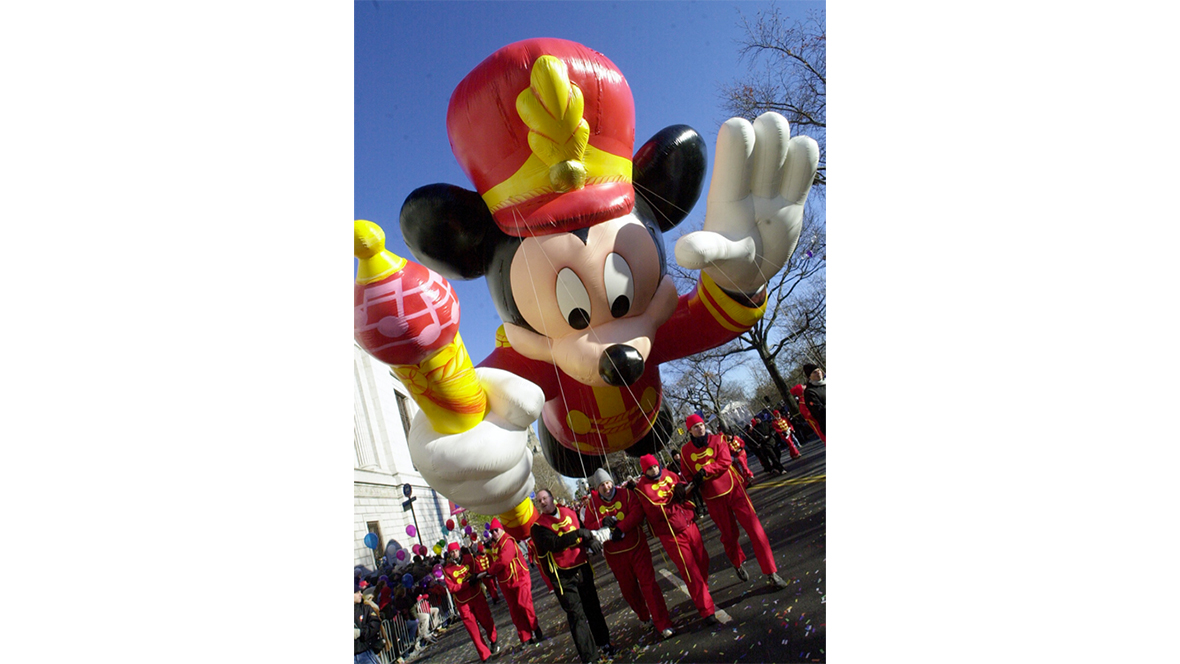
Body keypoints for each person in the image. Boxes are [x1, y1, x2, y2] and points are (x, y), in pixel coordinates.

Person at [680, 414, 789, 589]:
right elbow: (687, 475)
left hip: (734, 490)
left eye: (701, 425)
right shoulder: (685, 452)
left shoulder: (718, 439)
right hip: (713, 498)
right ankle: (737, 562)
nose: (700, 428)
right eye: (695, 427)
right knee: (729, 535)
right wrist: (688, 486)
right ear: (689, 431)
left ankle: (771, 572)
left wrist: (706, 470)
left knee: (755, 529)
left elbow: (724, 461)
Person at [618, 454, 719, 627]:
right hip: (671, 534)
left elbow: (683, 486)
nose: (654, 470)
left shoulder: (669, 474)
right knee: (690, 570)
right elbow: (655, 512)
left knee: (702, 560)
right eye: (650, 468)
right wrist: (675, 499)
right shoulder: (642, 488)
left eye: (655, 466)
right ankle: (706, 609)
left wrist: (684, 488)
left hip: (689, 523)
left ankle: (703, 591)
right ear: (644, 471)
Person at [584, 468, 676, 639]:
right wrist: (601, 522)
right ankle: (644, 615)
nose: (606, 487)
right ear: (597, 488)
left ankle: (663, 623)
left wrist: (621, 527)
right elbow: (588, 525)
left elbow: (637, 512)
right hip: (615, 554)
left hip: (637, 547)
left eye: (608, 483)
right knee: (629, 590)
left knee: (649, 585)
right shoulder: (592, 505)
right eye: (602, 485)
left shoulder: (626, 494)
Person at [530, 488, 616, 663]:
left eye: (545, 498)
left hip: (582, 568)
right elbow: (554, 543)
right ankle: (590, 657)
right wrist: (577, 534)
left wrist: (590, 540)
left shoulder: (569, 512)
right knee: (577, 616)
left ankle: (604, 643)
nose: (543, 502)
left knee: (593, 608)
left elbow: (583, 530)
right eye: (539, 501)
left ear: (552, 498)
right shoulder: (538, 527)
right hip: (563, 577)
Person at [487, 518, 545, 648]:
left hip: (519, 578)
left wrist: (490, 571)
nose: (494, 533)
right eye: (492, 532)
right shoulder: (494, 545)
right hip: (505, 582)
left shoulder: (507, 541)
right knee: (515, 611)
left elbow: (504, 560)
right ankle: (525, 637)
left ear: (501, 529)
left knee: (525, 605)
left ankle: (534, 626)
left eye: (496, 530)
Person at [442, 541, 501, 662]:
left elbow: (478, 570)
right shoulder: (447, 570)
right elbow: (452, 588)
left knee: (487, 621)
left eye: (456, 551)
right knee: (473, 631)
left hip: (477, 596)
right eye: (452, 552)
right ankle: (484, 655)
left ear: (459, 550)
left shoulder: (469, 559)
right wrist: (467, 584)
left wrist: (477, 575)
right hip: (463, 603)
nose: (455, 554)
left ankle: (493, 639)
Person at [355, 586, 385, 664]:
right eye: (357, 592)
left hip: (365, 652)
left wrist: (360, 632)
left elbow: (375, 624)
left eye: (360, 592)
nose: (361, 594)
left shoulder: (365, 609)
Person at [801, 363, 826, 438]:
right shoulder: (810, 392)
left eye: (819, 370)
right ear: (810, 376)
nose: (818, 373)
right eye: (815, 372)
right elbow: (819, 411)